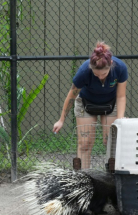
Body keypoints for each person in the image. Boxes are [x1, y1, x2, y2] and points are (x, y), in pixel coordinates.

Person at [53, 41, 128, 169]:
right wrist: (61, 120)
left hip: (110, 104)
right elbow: (71, 96)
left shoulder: (120, 68)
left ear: (110, 64)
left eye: (103, 74)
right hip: (86, 103)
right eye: (96, 74)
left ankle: (112, 178)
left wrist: (120, 119)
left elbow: (121, 96)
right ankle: (84, 178)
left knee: (110, 142)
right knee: (85, 143)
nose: (100, 77)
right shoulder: (84, 71)